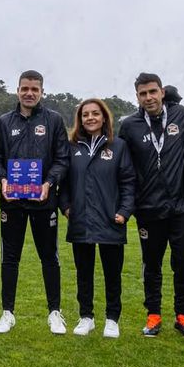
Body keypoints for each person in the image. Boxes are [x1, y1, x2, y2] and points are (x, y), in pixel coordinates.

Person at [0, 70, 70, 334]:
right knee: (10, 258)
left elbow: (62, 159)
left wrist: (49, 183)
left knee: (49, 258)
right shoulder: (4, 122)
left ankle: (54, 313)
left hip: (44, 202)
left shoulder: (54, 120)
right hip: (12, 202)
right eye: (25, 88)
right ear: (17, 90)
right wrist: (2, 179)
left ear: (42, 92)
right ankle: (7, 313)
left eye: (35, 89)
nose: (29, 93)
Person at [118, 73, 184, 339]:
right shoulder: (129, 126)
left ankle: (183, 315)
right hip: (149, 208)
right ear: (137, 97)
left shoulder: (181, 116)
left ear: (162, 92)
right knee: (151, 263)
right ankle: (153, 314)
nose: (149, 98)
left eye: (153, 92)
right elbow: (125, 166)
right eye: (143, 94)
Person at [59, 98, 135, 338]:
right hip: (81, 220)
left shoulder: (118, 146)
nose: (90, 118)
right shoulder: (72, 147)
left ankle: (112, 319)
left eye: (95, 113)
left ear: (104, 118)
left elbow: (128, 182)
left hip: (111, 220)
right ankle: (86, 317)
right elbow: (64, 183)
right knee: (84, 274)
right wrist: (66, 207)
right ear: (80, 120)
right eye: (85, 115)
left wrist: (124, 211)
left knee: (113, 274)